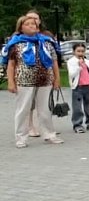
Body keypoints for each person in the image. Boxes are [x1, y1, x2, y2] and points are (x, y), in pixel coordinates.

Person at [2, 13, 64, 147]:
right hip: (24, 81)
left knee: (45, 109)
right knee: (23, 109)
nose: (31, 26)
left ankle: (49, 134)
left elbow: (54, 62)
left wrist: (57, 79)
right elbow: (11, 64)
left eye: (33, 24)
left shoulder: (46, 42)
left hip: (45, 80)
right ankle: (21, 138)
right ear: (21, 28)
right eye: (27, 24)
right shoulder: (16, 44)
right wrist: (11, 82)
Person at [66, 42, 89, 133]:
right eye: (78, 51)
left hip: (88, 85)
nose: (80, 53)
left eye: (82, 51)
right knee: (77, 107)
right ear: (74, 52)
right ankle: (77, 125)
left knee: (88, 107)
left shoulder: (87, 61)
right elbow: (71, 74)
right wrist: (78, 66)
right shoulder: (71, 62)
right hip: (78, 86)